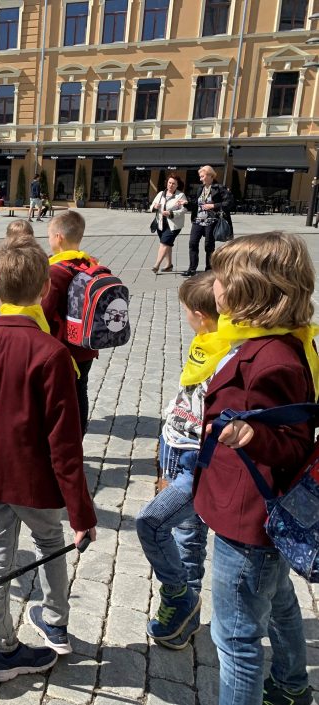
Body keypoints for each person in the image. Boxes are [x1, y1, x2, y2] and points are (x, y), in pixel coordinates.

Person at [0, 241, 97, 682]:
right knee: (50, 543)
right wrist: (82, 512)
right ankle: (55, 620)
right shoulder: (53, 354)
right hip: (37, 480)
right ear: (47, 288)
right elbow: (65, 443)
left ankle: (1, 647)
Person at [194, 232, 316, 705]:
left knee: (237, 639)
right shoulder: (260, 342)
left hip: (247, 520)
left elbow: (294, 441)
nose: (215, 287)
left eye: (222, 279)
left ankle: (278, 686)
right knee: (279, 598)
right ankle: (290, 684)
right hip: (241, 503)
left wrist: (254, 435)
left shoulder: (274, 358)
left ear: (252, 290)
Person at [136, 272, 217, 650]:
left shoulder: (226, 352)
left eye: (185, 310)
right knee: (188, 533)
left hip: (195, 459)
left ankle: (181, 598)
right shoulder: (206, 343)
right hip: (177, 447)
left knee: (158, 525)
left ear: (199, 314)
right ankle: (188, 618)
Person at [42, 210, 98, 435]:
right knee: (80, 390)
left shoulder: (56, 271)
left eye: (49, 235)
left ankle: (62, 439)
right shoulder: (90, 263)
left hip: (63, 348)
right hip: (87, 344)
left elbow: (44, 312)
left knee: (59, 396)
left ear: (58, 237)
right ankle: (79, 434)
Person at [182, 165, 233, 277]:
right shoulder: (201, 188)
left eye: (202, 176)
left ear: (210, 175)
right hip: (198, 220)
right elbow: (197, 204)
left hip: (211, 220)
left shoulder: (219, 188)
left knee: (209, 246)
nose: (200, 179)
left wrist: (213, 205)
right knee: (192, 243)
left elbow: (229, 203)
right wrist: (187, 203)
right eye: (200, 177)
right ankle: (192, 269)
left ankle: (209, 270)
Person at [150, 176, 188, 274]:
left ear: (177, 185)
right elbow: (152, 206)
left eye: (173, 183)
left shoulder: (181, 195)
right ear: (167, 183)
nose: (171, 185)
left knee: (164, 243)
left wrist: (171, 213)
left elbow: (184, 209)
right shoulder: (160, 194)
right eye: (169, 183)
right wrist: (154, 206)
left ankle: (156, 265)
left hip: (174, 224)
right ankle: (169, 265)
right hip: (161, 223)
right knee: (168, 244)